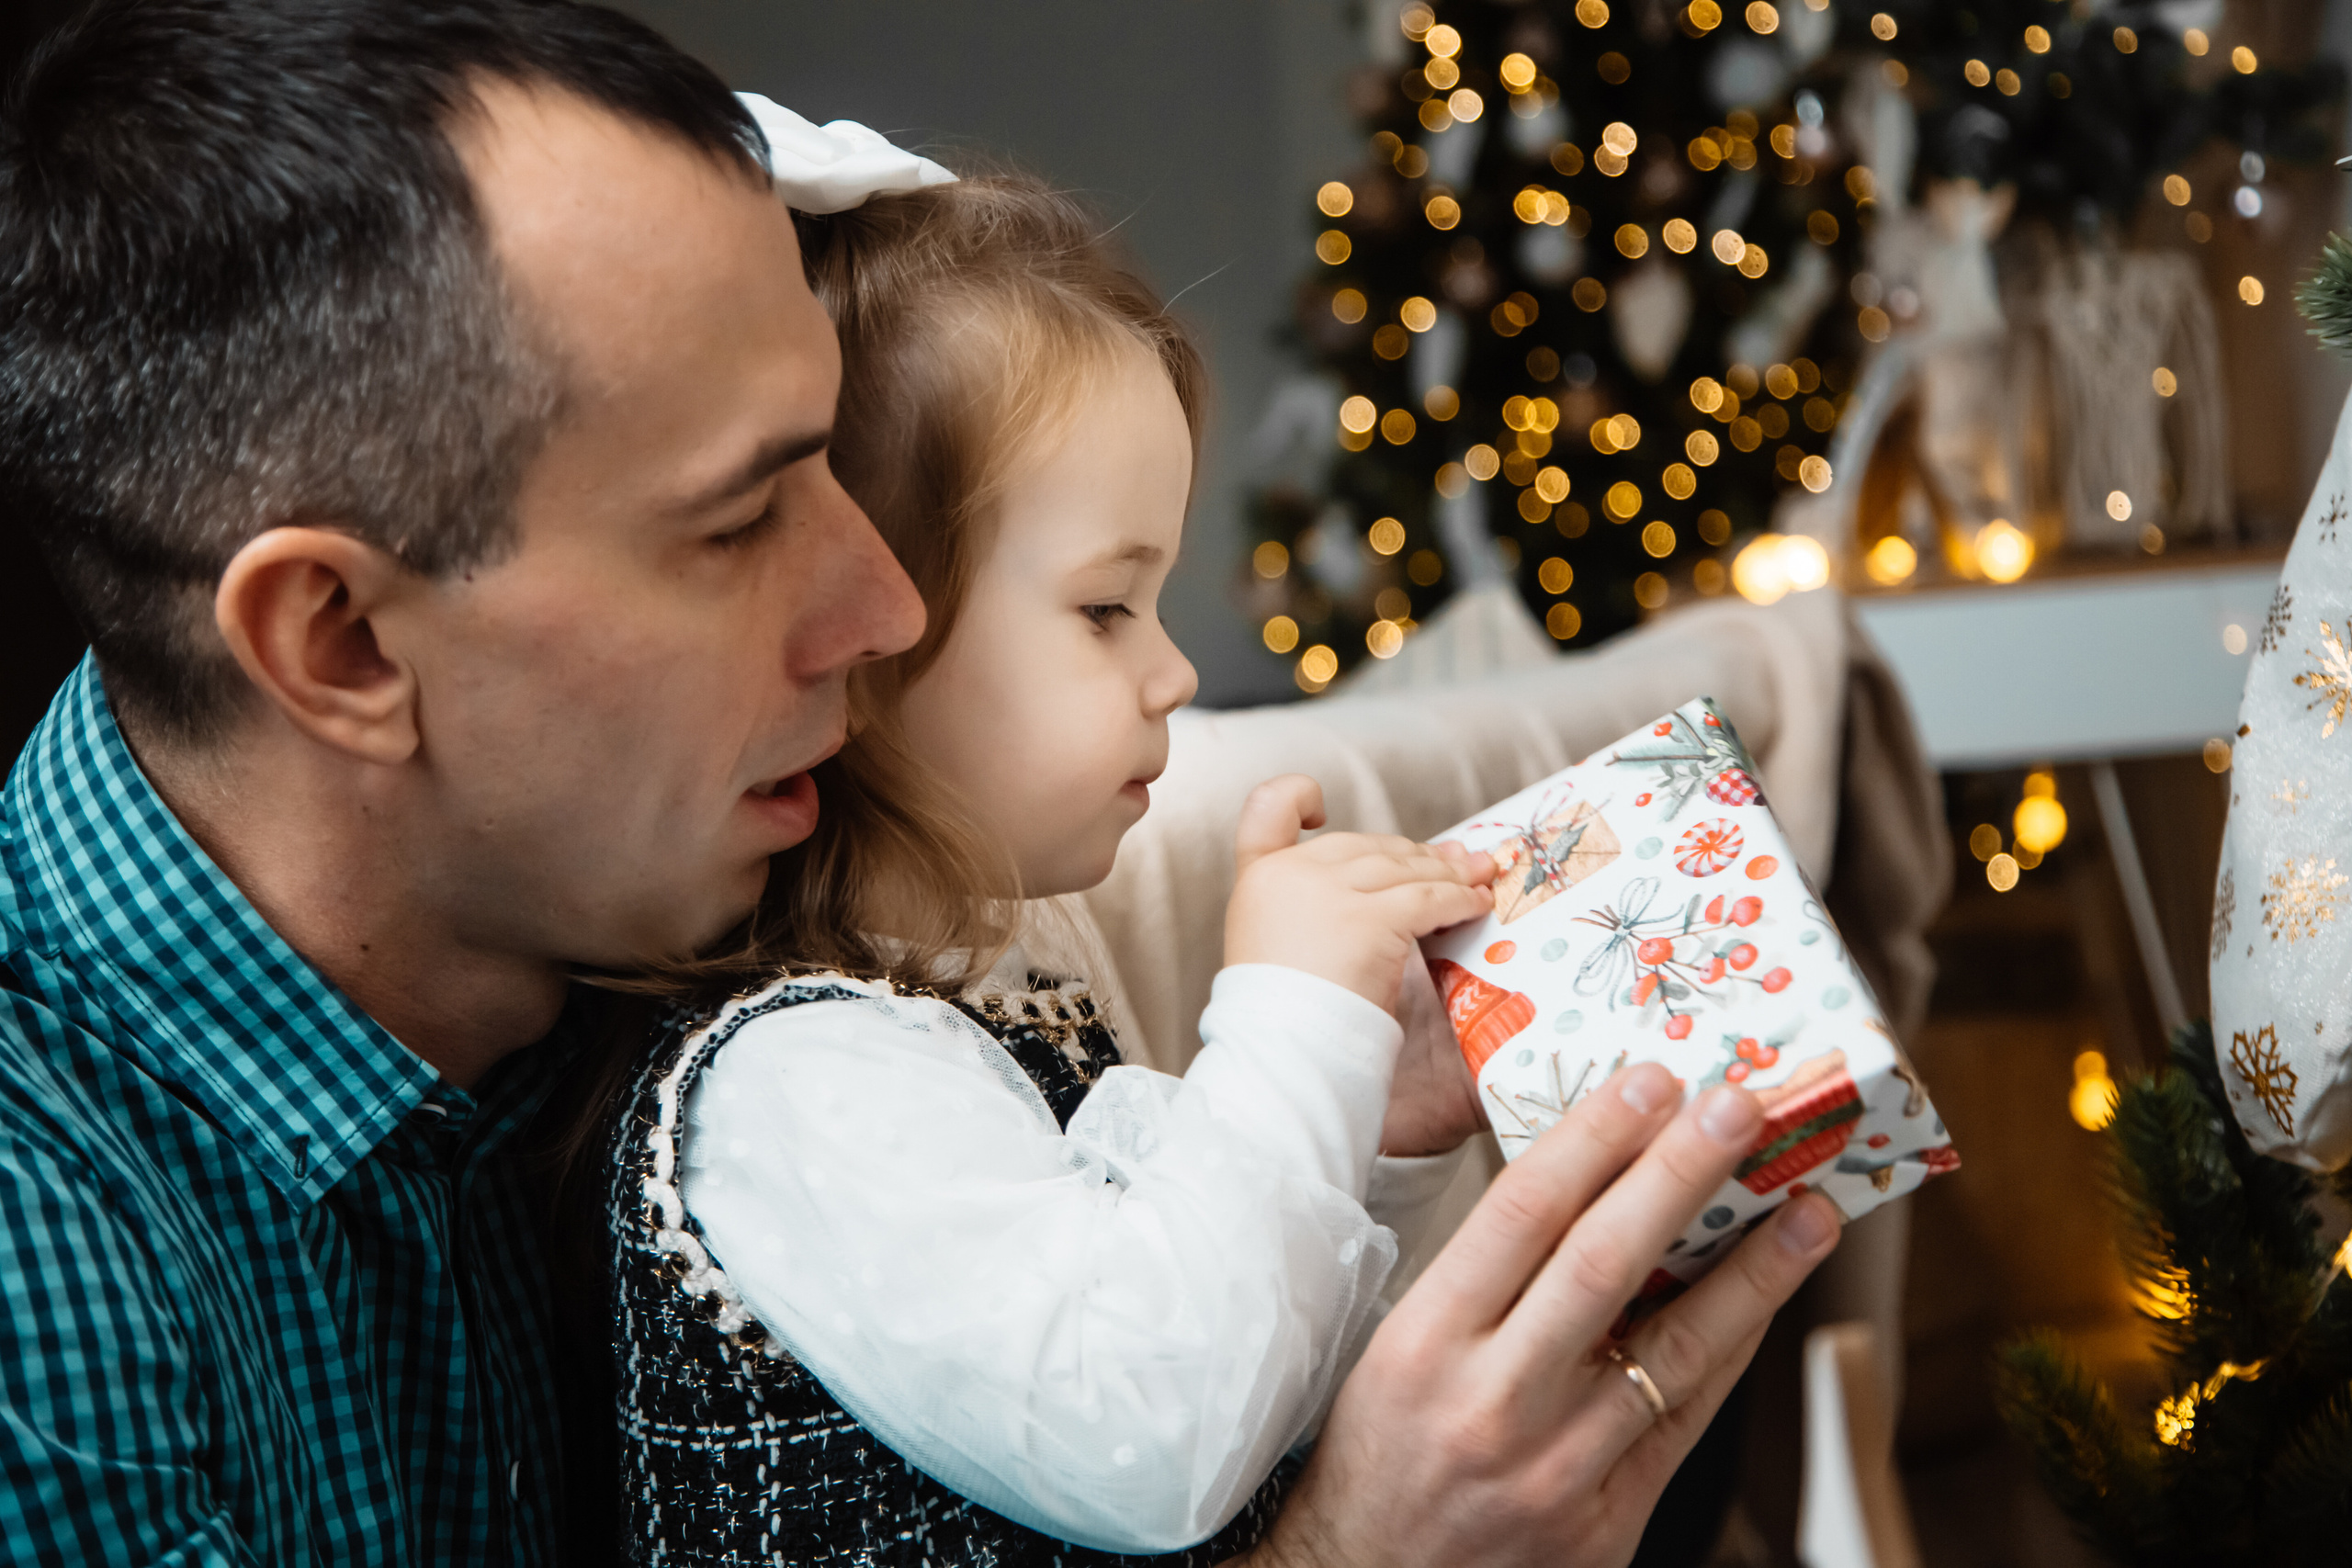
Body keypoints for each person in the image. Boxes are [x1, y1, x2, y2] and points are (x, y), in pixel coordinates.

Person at [0, 2, 1839, 1562]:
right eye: (737, 519)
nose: (883, 610)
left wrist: (1330, 1103)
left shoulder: (646, 924)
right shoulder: (48, 1287)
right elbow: (1138, 1403)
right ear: (340, 646)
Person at [594, 151, 1502, 1562]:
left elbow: (1249, 1396)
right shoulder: (794, 1087)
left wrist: (1365, 1130)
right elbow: (1161, 1440)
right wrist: (1290, 1020)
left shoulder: (1001, 985)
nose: (1177, 674)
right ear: (866, 628)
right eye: (1105, 610)